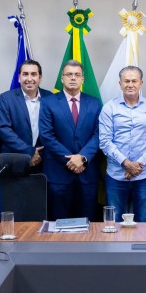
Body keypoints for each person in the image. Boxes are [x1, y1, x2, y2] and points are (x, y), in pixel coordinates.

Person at [98, 66, 146, 223]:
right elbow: (105, 141)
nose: (130, 84)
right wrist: (126, 163)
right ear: (120, 84)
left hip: (144, 175)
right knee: (113, 222)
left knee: (144, 221)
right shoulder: (109, 108)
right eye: (126, 81)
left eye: (134, 81)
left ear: (141, 83)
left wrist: (138, 165)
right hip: (116, 175)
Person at [38, 60, 102, 221]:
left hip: (87, 174)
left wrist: (83, 157)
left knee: (88, 224)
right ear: (62, 78)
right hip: (58, 175)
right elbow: (47, 136)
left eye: (77, 75)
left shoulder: (94, 103)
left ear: (82, 79)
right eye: (69, 74)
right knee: (58, 224)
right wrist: (71, 159)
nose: (73, 78)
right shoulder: (48, 102)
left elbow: (99, 134)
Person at [0, 59, 52, 169]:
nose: (29, 79)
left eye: (34, 74)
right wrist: (30, 151)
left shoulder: (50, 97)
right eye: (25, 74)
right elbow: (4, 130)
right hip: (15, 160)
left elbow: (54, 129)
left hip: (43, 161)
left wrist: (39, 154)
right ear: (19, 77)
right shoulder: (6, 98)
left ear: (40, 78)